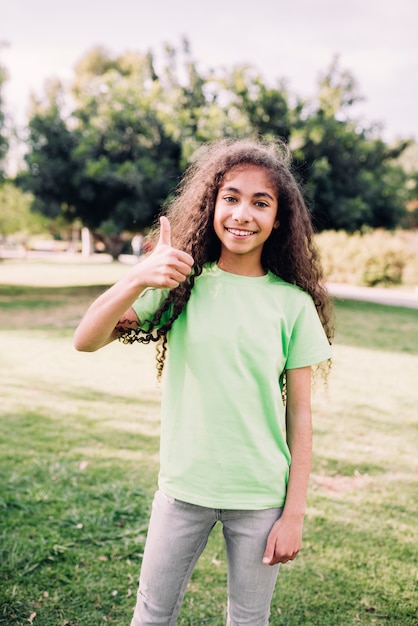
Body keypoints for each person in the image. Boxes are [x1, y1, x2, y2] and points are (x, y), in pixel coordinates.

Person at [74, 137, 334, 626]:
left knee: (249, 619)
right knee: (152, 614)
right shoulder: (179, 284)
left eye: (261, 203)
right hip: (182, 489)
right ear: (212, 205)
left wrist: (293, 512)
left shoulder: (292, 305)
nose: (242, 213)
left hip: (260, 498)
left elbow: (300, 414)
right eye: (231, 198)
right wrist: (137, 278)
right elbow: (85, 340)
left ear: (278, 219)